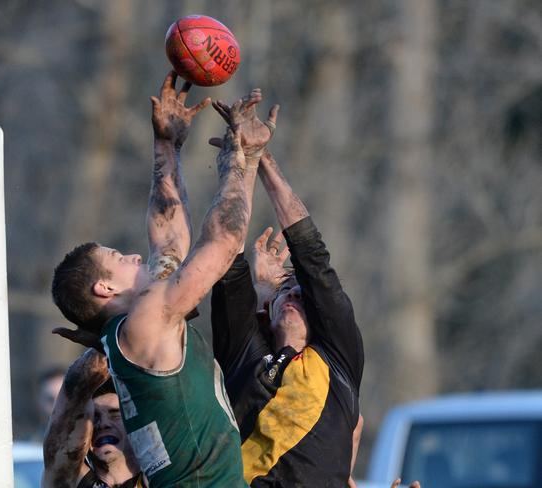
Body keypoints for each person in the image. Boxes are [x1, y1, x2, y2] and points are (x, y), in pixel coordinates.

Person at [50, 72, 277, 487]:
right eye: (118, 258)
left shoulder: (137, 322)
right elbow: (224, 242)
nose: (134, 254)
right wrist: (236, 157)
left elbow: (169, 239)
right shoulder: (146, 321)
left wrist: (167, 145)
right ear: (106, 288)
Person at [210, 144, 365, 486]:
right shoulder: (244, 358)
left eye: (303, 294)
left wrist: (263, 159)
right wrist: (241, 165)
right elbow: (224, 256)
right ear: (269, 307)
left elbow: (312, 256)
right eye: (285, 291)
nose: (294, 292)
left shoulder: (337, 360)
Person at [42, 348, 144, 488]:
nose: (103, 424)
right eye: (94, 418)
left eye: (114, 414)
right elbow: (74, 390)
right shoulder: (68, 480)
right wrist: (101, 344)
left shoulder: (164, 477)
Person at [32, 365, 66, 441]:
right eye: (50, 400)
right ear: (39, 402)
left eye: (63, 399)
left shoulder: (94, 446)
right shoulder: (25, 448)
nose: (57, 407)